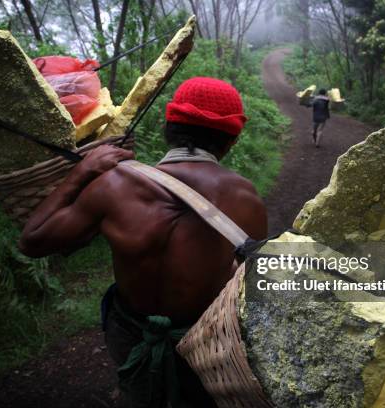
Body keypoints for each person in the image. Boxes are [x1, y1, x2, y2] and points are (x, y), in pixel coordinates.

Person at [18, 77, 268, 407]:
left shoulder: (113, 184)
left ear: (168, 127)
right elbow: (251, 289)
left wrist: (81, 173)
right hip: (202, 345)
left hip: (129, 332)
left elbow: (32, 241)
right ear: (231, 140)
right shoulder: (245, 199)